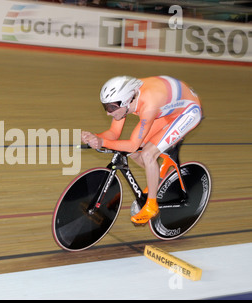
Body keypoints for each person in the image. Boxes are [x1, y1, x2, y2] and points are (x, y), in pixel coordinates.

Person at [81, 75, 202, 225]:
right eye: (105, 107)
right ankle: (159, 177)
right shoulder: (125, 98)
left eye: (112, 107)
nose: (108, 113)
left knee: (147, 154)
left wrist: (102, 141)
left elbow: (132, 143)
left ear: (125, 101)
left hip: (188, 111)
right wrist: (95, 137)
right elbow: (114, 133)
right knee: (133, 152)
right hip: (167, 108)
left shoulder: (148, 105)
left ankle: (152, 205)